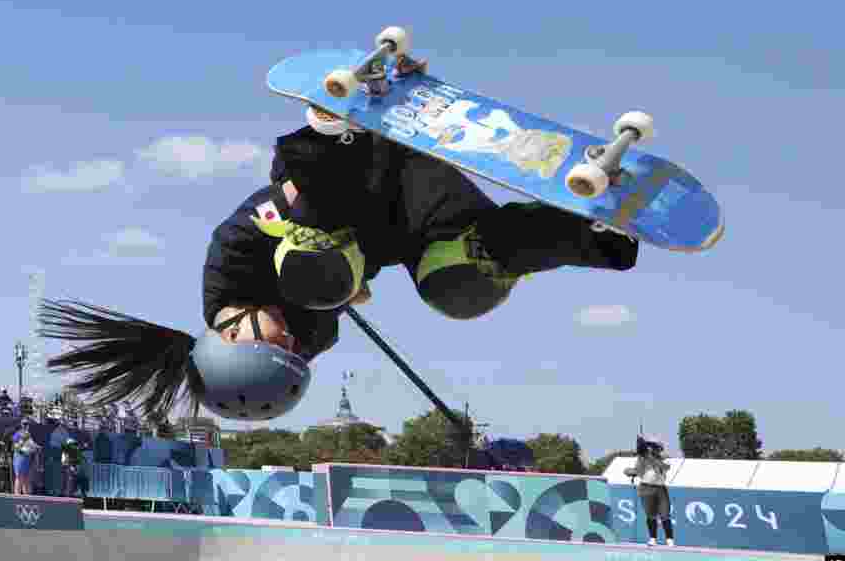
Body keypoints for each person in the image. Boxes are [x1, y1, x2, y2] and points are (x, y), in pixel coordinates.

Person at [40, 117, 638, 422]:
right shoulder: (307, 340)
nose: (298, 340)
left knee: (311, 267)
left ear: (231, 333)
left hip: (359, 173)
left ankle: (332, 130)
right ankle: (591, 230)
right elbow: (332, 312)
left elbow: (276, 203)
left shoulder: (226, 268)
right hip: (419, 212)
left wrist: (324, 156)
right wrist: (352, 290)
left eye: (284, 345)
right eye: (299, 354)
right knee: (458, 287)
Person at [624, 434, 675, 546]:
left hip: (661, 488)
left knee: (665, 514)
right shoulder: (642, 458)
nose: (651, 448)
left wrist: (649, 457)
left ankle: (669, 539)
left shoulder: (664, 457)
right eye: (649, 446)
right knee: (650, 514)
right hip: (646, 487)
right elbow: (637, 470)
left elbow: (664, 467)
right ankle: (652, 538)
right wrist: (629, 471)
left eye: (654, 446)